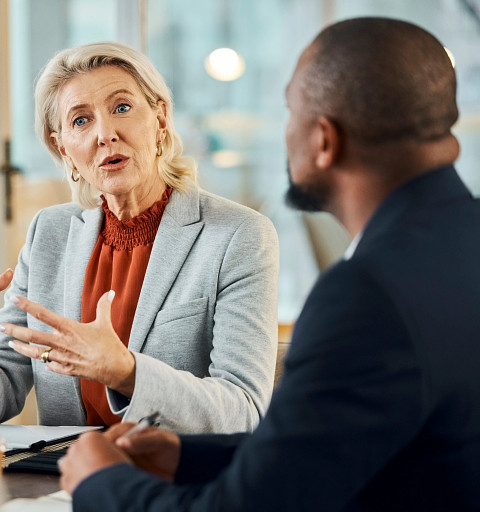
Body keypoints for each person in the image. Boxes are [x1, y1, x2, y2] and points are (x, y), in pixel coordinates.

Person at [58, 17, 480, 511]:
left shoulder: (364, 294)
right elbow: (333, 447)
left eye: (289, 113)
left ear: (324, 140)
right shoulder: (458, 244)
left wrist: (99, 482)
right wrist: (187, 456)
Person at [0, 41, 279, 433]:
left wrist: (126, 373)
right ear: (64, 150)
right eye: (80, 121)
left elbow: (243, 410)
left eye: (122, 108)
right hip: (67, 478)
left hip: (176, 480)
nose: (105, 134)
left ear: (159, 119)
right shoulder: (49, 234)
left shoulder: (239, 236)